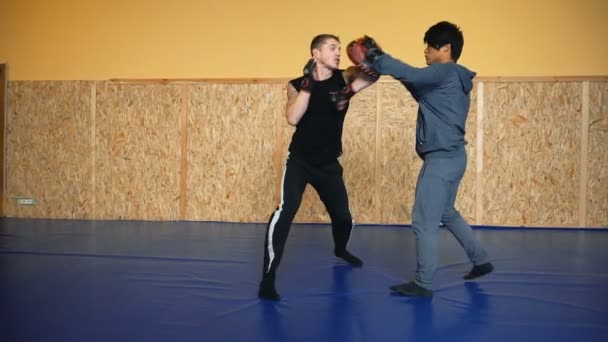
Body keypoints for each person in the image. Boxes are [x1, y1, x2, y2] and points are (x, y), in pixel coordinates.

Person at [347, 21, 493, 297]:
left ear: (446, 49)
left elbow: (410, 73)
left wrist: (378, 57)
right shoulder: (453, 79)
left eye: (430, 46)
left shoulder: (445, 71)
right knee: (447, 213)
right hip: (455, 157)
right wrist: (381, 66)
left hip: (441, 161)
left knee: (424, 220)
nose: (425, 51)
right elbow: (415, 84)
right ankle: (481, 260)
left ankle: (423, 283)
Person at [258, 34, 377, 301]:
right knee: (285, 211)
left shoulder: (344, 77)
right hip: (300, 161)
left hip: (328, 164)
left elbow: (371, 76)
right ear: (316, 53)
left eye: (339, 48)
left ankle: (340, 249)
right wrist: (309, 86)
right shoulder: (297, 84)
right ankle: (268, 276)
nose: (338, 53)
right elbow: (292, 117)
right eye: (332, 48)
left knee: (343, 217)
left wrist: (369, 64)